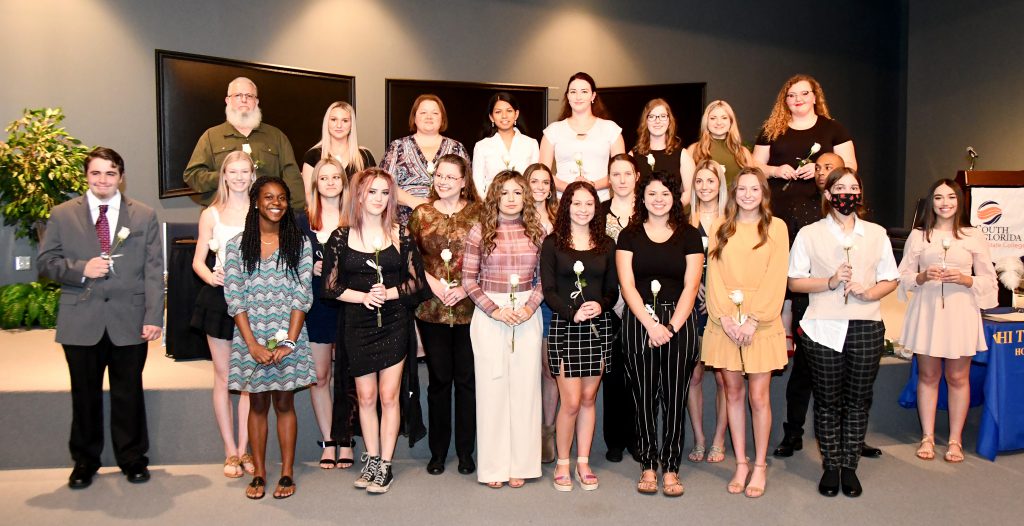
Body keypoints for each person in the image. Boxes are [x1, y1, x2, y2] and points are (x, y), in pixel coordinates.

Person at [38, 147, 164, 489]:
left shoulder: (143, 215)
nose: (103, 180)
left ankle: (132, 458)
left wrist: (154, 316)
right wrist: (81, 269)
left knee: (129, 393)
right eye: (96, 173)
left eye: (110, 173)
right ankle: (84, 461)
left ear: (120, 177)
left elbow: (154, 270)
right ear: (86, 177)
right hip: (81, 320)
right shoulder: (62, 215)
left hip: (130, 319)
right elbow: (45, 263)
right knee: (85, 394)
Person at [787, 167, 898, 498]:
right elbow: (794, 281)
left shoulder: (877, 234)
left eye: (853, 188)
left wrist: (869, 292)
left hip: (866, 324)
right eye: (840, 188)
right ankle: (831, 465)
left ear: (860, 195)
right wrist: (830, 282)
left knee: (858, 400)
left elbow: (890, 278)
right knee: (827, 401)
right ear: (828, 195)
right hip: (823, 326)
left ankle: (849, 466)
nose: (846, 194)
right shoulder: (809, 233)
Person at [322, 168, 429, 494]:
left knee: (388, 396)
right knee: (366, 397)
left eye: (384, 193)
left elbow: (418, 283)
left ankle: (385, 464)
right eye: (372, 192)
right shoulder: (341, 237)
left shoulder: (402, 235)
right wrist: (364, 296)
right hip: (357, 325)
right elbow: (330, 287)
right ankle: (370, 458)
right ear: (358, 195)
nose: (379, 199)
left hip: (395, 323)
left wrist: (389, 293)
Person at [224, 176, 315, 499]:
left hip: (288, 333)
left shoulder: (299, 243)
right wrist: (252, 345)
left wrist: (289, 341)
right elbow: (234, 297)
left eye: (281, 198)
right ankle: (260, 473)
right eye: (268, 197)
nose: (275, 203)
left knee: (285, 401)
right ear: (256, 202)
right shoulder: (236, 245)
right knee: (258, 403)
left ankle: (287, 473)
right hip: (252, 335)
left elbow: (303, 294)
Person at [701, 168, 789, 498]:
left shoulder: (776, 228)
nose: (748, 194)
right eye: (742, 188)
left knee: (758, 396)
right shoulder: (720, 227)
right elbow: (714, 278)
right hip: (724, 320)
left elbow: (776, 276)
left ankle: (761, 465)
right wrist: (725, 318)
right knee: (733, 393)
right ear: (734, 192)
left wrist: (754, 320)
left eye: (755, 189)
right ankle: (740, 462)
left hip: (760, 321)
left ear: (764, 193)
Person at [616, 169, 703, 497]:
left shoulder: (689, 235)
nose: (658, 199)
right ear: (643, 197)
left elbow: (692, 285)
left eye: (665, 194)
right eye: (651, 194)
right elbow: (627, 285)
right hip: (639, 321)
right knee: (643, 397)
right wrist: (651, 325)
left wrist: (670, 326)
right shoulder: (630, 235)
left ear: (675, 198)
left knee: (676, 397)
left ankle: (672, 466)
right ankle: (648, 465)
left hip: (679, 321)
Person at [898, 179, 997, 463]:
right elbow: (903, 276)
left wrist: (966, 279)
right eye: (939, 198)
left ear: (959, 201)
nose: (945, 203)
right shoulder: (919, 236)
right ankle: (927, 436)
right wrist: (922, 276)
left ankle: (955, 439)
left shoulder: (972, 235)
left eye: (951, 197)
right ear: (931, 202)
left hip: (961, 312)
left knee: (957, 377)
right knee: (928, 376)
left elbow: (989, 280)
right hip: (928, 310)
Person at [462, 170, 546, 488]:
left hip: (526, 315)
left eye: (517, 193)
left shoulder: (537, 231)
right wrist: (495, 310)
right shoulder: (479, 231)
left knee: (525, 391)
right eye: (505, 192)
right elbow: (469, 280)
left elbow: (543, 281)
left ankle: (520, 465)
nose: (511, 199)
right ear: (494, 195)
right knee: (492, 391)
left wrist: (527, 307)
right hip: (489, 316)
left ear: (525, 197)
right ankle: (494, 467)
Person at [409, 154, 483, 476]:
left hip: (471, 310)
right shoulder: (421, 214)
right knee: (439, 381)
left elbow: (488, 257)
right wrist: (433, 284)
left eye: (451, 177)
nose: (443, 181)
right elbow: (410, 257)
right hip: (432, 309)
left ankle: (466, 452)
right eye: (439, 175)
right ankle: (438, 452)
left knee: (466, 381)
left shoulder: (479, 214)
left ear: (464, 181)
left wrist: (467, 288)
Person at [541, 181, 617, 491]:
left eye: (589, 204)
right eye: (577, 203)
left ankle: (583, 461)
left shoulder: (606, 245)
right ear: (566, 206)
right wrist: (572, 312)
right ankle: (563, 463)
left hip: (598, 329)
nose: (583, 209)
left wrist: (601, 304)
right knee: (570, 401)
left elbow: (612, 290)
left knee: (588, 398)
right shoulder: (552, 243)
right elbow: (548, 291)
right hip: (565, 327)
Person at [190, 150, 255, 478]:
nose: (240, 177)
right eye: (234, 171)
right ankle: (229, 451)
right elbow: (198, 261)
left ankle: (246, 450)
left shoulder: (262, 211)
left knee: (248, 380)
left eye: (245, 171)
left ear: (252, 175)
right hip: (219, 300)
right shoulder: (211, 214)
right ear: (225, 176)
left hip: (256, 302)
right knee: (224, 376)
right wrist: (210, 275)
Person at [294, 158, 356, 469]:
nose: (330, 182)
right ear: (315, 183)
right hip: (317, 304)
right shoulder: (302, 220)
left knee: (348, 375)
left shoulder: (356, 217)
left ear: (344, 183)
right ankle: (329, 438)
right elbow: (289, 263)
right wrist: (311, 267)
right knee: (320, 376)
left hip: (350, 304)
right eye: (324, 178)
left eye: (336, 177)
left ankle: (346, 438)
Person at [753, 74, 856, 239]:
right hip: (777, 208)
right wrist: (775, 170)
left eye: (804, 93)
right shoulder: (770, 131)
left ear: (815, 97)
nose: (797, 99)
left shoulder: (834, 128)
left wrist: (819, 170)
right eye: (791, 95)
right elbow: (754, 166)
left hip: (821, 207)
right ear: (785, 101)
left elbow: (850, 166)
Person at [184, 77, 304, 209]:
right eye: (237, 95)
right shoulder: (211, 137)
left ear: (256, 101)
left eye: (249, 95)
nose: (244, 99)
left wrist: (292, 213)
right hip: (225, 213)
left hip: (268, 215)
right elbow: (192, 175)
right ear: (228, 100)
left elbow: (293, 178)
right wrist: (225, 176)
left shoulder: (276, 136)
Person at [686, 160, 729, 465]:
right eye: (699, 181)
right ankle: (700, 438)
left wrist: (714, 291)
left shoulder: (731, 221)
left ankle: (719, 439)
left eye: (710, 181)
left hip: (723, 306)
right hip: (692, 307)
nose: (704, 186)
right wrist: (696, 287)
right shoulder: (685, 221)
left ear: (719, 185)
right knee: (695, 376)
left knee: (727, 379)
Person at [600, 154, 639, 463]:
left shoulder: (651, 209)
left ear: (637, 176)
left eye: (628, 173)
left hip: (643, 302)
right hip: (609, 304)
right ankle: (614, 440)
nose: (622, 179)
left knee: (640, 374)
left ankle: (638, 438)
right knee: (613, 375)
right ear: (609, 178)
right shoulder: (599, 214)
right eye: (616, 173)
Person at [381, 94, 469, 225]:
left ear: (442, 118)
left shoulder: (456, 148)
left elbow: (467, 185)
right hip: (405, 223)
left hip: (449, 222)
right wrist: (414, 202)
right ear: (414, 118)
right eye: (423, 112)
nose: (429, 117)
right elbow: (384, 183)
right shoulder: (397, 147)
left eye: (435, 113)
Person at [540, 72, 626, 200]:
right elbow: (542, 173)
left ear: (593, 96)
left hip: (600, 200)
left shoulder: (611, 129)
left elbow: (620, 172)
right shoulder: (553, 131)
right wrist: (570, 187)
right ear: (567, 96)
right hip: (563, 200)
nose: (578, 96)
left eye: (584, 91)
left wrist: (592, 185)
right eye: (573, 92)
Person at [524, 162, 559, 462]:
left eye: (544, 181)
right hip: (521, 300)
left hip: (550, 304)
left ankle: (547, 431)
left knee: (549, 370)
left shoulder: (561, 218)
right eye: (533, 181)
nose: (539, 186)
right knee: (525, 370)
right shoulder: (513, 216)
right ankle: (525, 431)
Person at [300, 101, 376, 205]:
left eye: (345, 120)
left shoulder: (365, 156)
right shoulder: (312, 155)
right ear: (327, 122)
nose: (339, 125)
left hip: (357, 218)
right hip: (323, 218)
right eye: (333, 119)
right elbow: (309, 195)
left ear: (351, 125)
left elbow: (373, 192)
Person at [472, 92, 540, 196]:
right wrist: (487, 205)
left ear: (516, 114)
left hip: (524, 204)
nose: (504, 116)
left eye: (509, 111)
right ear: (491, 117)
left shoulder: (531, 144)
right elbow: (477, 183)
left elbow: (535, 179)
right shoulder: (482, 146)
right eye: (498, 112)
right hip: (491, 205)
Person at [631, 98, 697, 205]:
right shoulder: (633, 155)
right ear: (646, 121)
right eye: (652, 117)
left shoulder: (682, 155)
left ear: (669, 121)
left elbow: (690, 192)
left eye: (662, 116)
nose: (657, 121)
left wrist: (671, 211)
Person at [687, 100, 753, 187]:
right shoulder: (694, 150)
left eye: (724, 118)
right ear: (706, 122)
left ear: (731, 122)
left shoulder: (743, 153)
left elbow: (752, 185)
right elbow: (687, 188)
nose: (718, 122)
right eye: (713, 118)